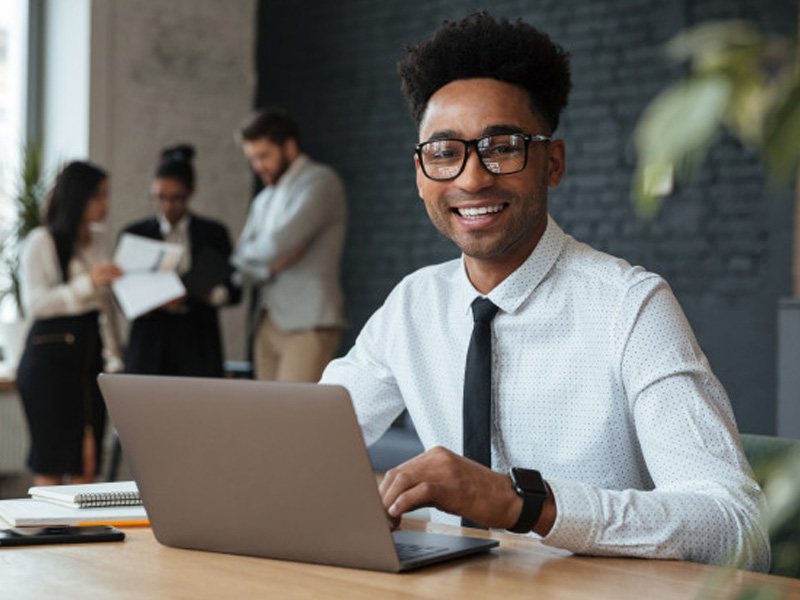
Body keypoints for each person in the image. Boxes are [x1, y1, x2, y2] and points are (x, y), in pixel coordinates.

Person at [320, 12, 770, 571]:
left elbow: (739, 529)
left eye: (502, 146)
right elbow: (304, 444)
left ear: (551, 163)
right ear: (420, 174)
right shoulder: (412, 305)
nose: (470, 178)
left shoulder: (630, 307)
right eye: (444, 152)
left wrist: (523, 504)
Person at [16, 161, 123, 486]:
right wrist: (87, 283)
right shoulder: (42, 241)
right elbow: (36, 304)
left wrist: (117, 357)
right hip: (49, 363)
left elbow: (106, 308)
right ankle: (48, 537)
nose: (105, 204)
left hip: (90, 359)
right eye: (99, 196)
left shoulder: (100, 241)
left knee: (87, 464)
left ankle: (83, 537)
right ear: (79, 197)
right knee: (51, 462)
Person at [231, 108, 347, 382]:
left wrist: (263, 253)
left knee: (294, 421)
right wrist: (268, 270)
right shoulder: (265, 198)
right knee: (267, 420)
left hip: (309, 323)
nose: (258, 166)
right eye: (252, 159)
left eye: (264, 156)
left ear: (290, 146)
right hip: (267, 322)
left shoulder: (321, 182)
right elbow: (237, 259)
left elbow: (276, 245)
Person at [123, 144, 240, 377]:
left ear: (191, 192)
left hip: (198, 342)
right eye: (159, 198)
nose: (167, 206)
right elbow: (123, 296)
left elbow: (235, 290)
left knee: (198, 411)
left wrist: (210, 294)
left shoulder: (213, 233)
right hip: (149, 344)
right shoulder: (136, 234)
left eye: (176, 199)